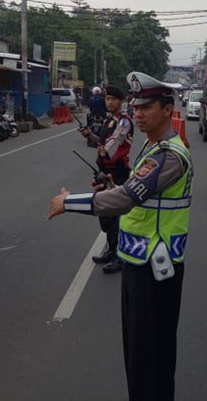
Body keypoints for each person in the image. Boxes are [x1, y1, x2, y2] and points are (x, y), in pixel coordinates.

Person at [47, 71, 193, 401]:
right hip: (137, 265)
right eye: (136, 106)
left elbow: (127, 199)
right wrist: (110, 187)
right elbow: (133, 194)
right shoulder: (151, 147)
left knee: (151, 361)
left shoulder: (169, 155)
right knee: (138, 356)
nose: (138, 113)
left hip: (156, 272)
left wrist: (68, 202)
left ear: (167, 110)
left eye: (147, 107)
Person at [78, 85, 135, 274]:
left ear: (121, 101)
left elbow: (112, 145)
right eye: (107, 99)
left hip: (117, 173)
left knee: (116, 215)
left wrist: (102, 148)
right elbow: (102, 144)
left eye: (113, 99)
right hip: (103, 171)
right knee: (105, 215)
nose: (109, 102)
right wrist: (90, 136)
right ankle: (111, 250)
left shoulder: (124, 122)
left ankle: (120, 257)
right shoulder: (109, 120)